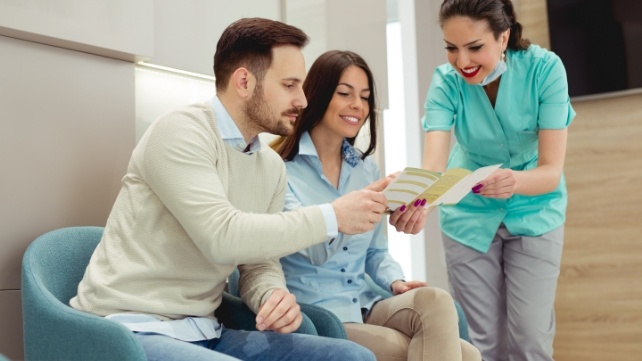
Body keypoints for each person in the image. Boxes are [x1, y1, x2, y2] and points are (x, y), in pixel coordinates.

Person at [70, 18, 383, 361]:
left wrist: (272, 296)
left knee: (354, 358)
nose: (303, 100)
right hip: (129, 329)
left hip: (205, 331)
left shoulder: (270, 166)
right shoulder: (180, 132)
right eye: (290, 85)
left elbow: (258, 262)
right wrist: (332, 216)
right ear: (244, 81)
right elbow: (222, 236)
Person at [271, 50, 481, 361]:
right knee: (448, 354)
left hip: (365, 302)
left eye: (365, 97)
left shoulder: (366, 169)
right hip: (319, 312)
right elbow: (314, 249)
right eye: (345, 93)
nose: (358, 105)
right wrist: (353, 207)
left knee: (439, 304)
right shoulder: (280, 170)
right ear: (318, 95)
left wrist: (395, 281)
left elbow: (375, 251)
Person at [421, 1, 576, 360]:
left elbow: (551, 171)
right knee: (479, 345)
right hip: (468, 215)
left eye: (475, 47)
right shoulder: (445, 83)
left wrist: (514, 182)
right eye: (451, 48)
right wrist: (417, 200)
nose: (462, 62)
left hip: (536, 208)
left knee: (530, 341)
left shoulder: (544, 69)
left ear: (503, 37)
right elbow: (433, 165)